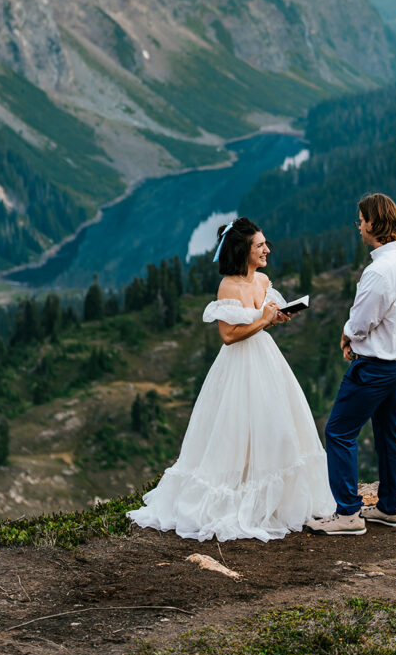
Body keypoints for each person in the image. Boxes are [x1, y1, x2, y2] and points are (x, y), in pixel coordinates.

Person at [127, 216, 335, 542]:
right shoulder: (229, 285)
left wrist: (276, 317)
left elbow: (263, 319)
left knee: (274, 427)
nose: (267, 249)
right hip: (239, 364)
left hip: (266, 359)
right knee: (235, 428)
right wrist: (264, 320)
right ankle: (237, 497)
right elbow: (228, 335)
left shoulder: (263, 281)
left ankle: (276, 501)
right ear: (244, 250)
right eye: (260, 245)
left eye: (265, 243)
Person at [307, 193, 396, 536]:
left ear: (372, 224)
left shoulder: (379, 271)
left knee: (339, 431)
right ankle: (390, 507)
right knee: (391, 433)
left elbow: (360, 322)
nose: (358, 226)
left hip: (375, 366)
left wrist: (346, 336)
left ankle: (347, 515)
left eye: (360, 220)